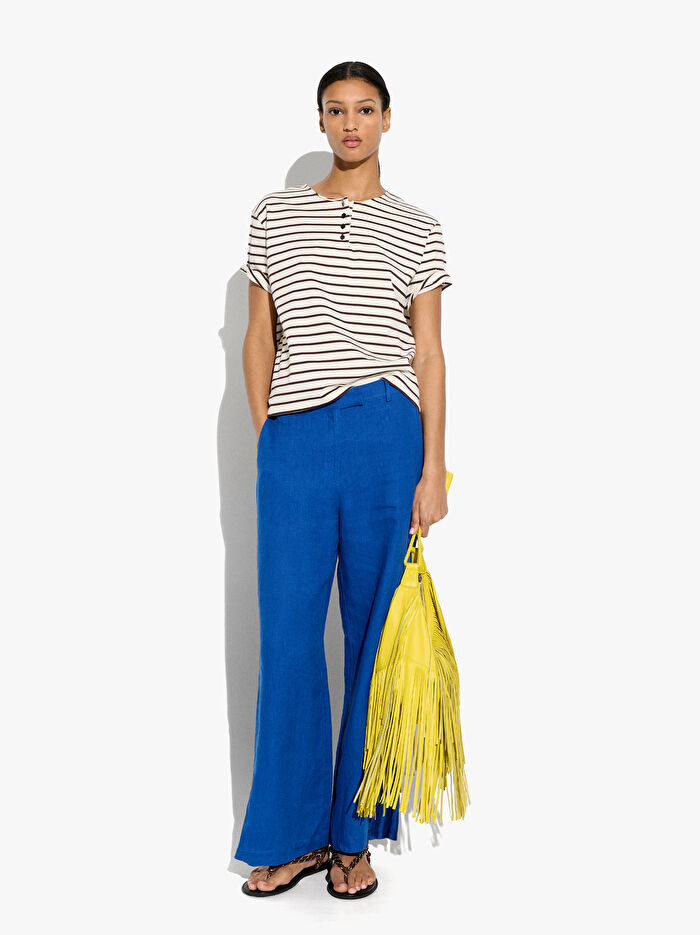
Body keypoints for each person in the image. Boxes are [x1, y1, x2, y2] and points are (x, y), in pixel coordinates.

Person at [236, 61, 453, 900]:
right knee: (288, 635)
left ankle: (352, 839)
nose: (351, 122)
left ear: (387, 119)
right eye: (336, 109)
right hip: (295, 434)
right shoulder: (274, 214)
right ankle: (291, 836)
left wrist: (432, 468)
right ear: (320, 120)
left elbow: (428, 352)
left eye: (365, 108)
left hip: (385, 431)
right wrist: (269, 432)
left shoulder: (420, 227)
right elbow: (260, 334)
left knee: (374, 639)